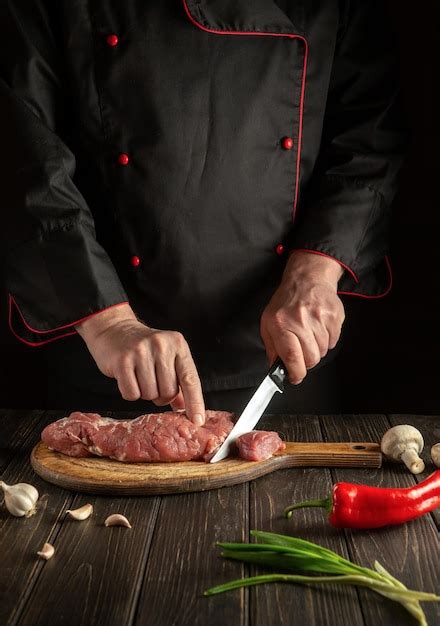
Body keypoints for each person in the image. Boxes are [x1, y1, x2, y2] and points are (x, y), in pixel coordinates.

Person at [0, 0, 406, 420]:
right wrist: (111, 324)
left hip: (285, 358)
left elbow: (370, 143)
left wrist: (314, 275)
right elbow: (21, 158)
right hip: (108, 360)